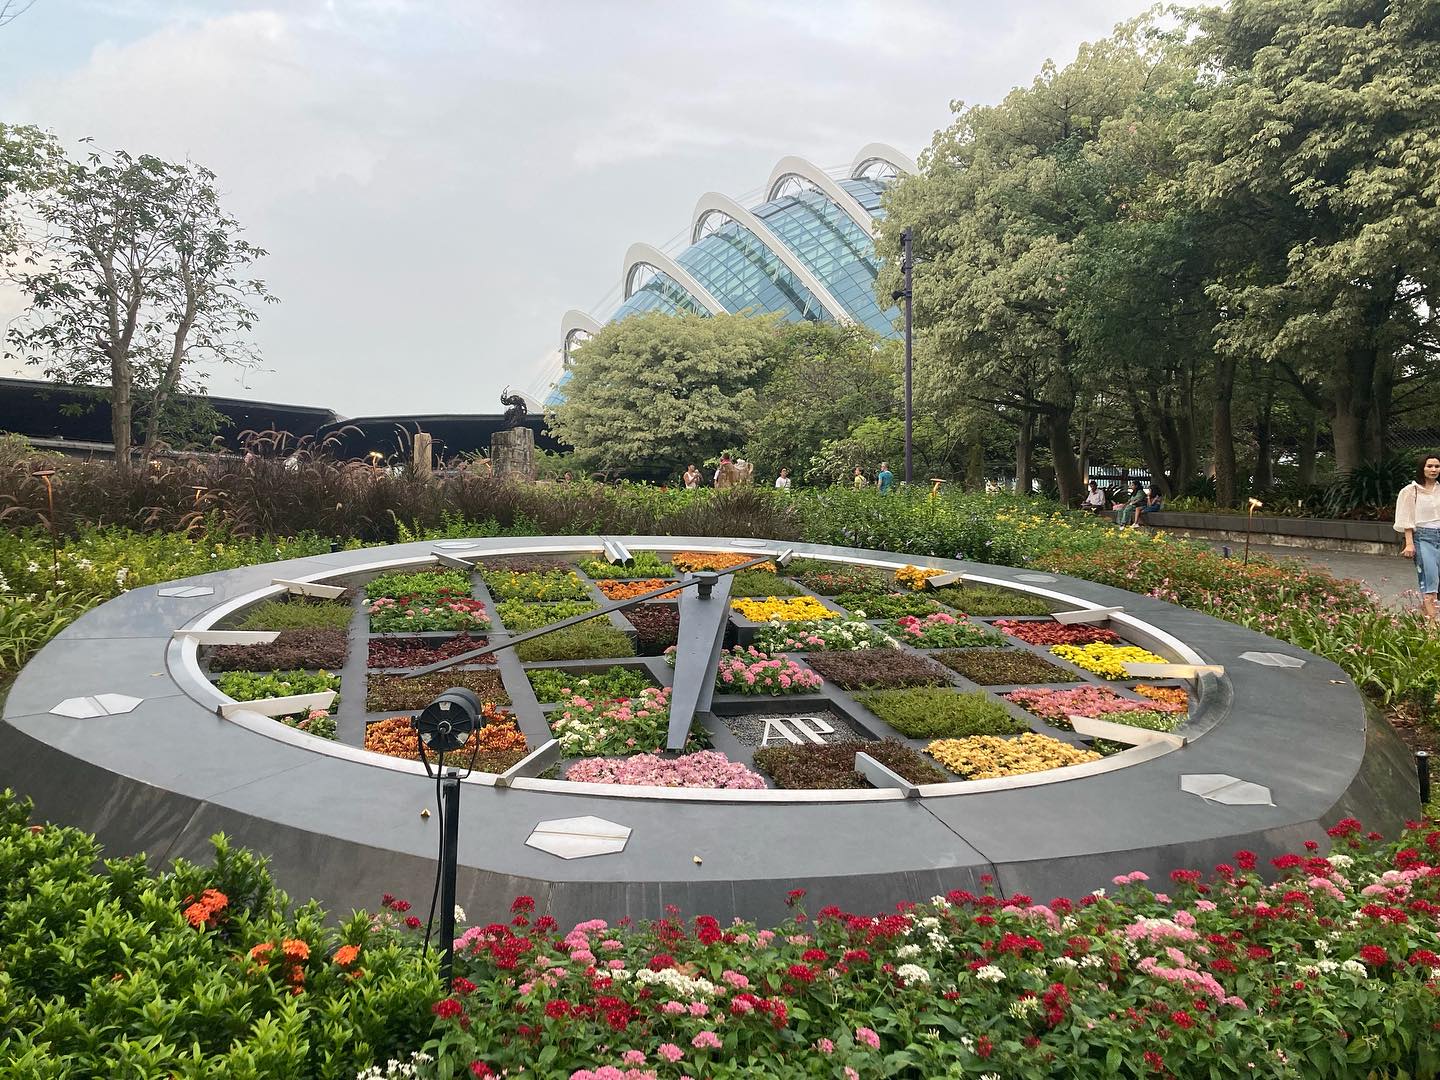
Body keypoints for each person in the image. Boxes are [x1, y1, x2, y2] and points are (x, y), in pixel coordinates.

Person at [1396, 451, 1440, 621]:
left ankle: (1424, 619)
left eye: (1437, 466)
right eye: (1430, 466)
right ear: (1422, 468)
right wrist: (1410, 543)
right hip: (1423, 538)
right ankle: (1434, 626)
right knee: (1430, 580)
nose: (1433, 469)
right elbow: (1406, 518)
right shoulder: (1410, 491)